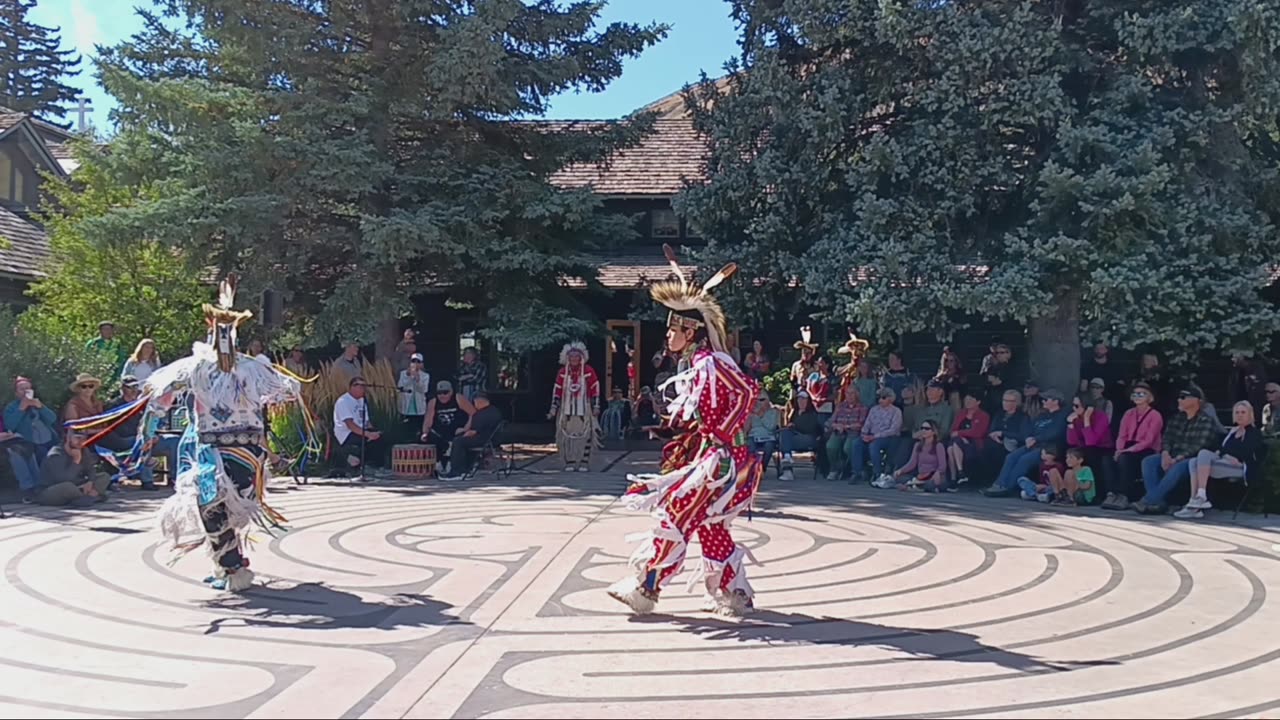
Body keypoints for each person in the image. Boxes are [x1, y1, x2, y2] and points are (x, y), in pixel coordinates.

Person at [72, 276, 309, 592]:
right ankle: (228, 565)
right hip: (242, 452)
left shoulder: (204, 368)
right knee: (225, 508)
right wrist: (149, 430)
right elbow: (289, 390)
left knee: (214, 507)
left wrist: (148, 432)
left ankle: (232, 567)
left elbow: (159, 400)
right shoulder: (245, 368)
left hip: (221, 452)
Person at [609, 246, 762, 617]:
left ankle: (648, 588)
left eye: (673, 329)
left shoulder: (710, 361)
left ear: (690, 330)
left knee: (675, 512)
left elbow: (748, 390)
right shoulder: (696, 362)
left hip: (723, 459)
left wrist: (723, 435)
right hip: (716, 454)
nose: (667, 335)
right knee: (709, 527)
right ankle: (734, 593)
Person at [1132, 386, 1222, 515]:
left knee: (1178, 467)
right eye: (1179, 397)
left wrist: (1177, 458)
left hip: (1192, 460)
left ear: (1196, 400)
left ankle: (1148, 500)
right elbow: (1167, 438)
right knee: (1149, 461)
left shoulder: (1206, 421)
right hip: (1172, 455)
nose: (1179, 400)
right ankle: (1158, 502)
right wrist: (1165, 454)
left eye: (1183, 397)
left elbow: (1199, 446)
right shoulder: (1176, 419)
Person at [1175, 401, 1262, 519]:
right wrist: (1225, 455)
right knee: (1195, 460)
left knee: (1201, 460)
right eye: (1237, 412)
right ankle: (1196, 500)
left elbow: (1245, 452)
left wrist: (1226, 455)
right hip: (1225, 463)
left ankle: (1197, 501)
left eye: (1243, 412)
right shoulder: (1233, 431)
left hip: (1240, 467)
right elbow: (1222, 449)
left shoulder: (1254, 433)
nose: (1240, 415)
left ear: (1250, 414)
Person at [981, 389, 1069, 497]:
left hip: (1049, 447)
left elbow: (1056, 433)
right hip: (1033, 444)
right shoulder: (1042, 415)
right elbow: (1030, 429)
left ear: (1056, 401)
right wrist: (1029, 438)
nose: (1043, 401)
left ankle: (1008, 488)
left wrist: (1036, 439)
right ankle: (999, 484)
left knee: (1024, 459)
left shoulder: (1062, 415)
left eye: (1046, 399)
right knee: (1011, 457)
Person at [1103, 381, 1165, 510]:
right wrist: (1119, 449)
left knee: (1125, 459)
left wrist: (1128, 450)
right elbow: (1122, 435)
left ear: (1149, 397)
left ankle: (1124, 495)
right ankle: (1111, 493)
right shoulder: (1128, 413)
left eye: (1142, 394)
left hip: (1146, 449)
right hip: (1127, 446)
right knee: (1107, 459)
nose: (1137, 396)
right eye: (1135, 394)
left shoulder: (1155, 415)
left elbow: (1149, 440)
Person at [548, 341, 602, 471]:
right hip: (566, 408)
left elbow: (595, 388)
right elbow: (557, 390)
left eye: (576, 357)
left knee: (587, 433)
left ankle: (584, 461)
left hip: (584, 407)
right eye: (571, 357)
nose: (573, 359)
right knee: (566, 435)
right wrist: (554, 408)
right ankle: (570, 461)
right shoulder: (562, 372)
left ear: (581, 358)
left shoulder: (588, 371)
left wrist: (596, 406)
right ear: (567, 358)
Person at [35, 431, 111, 507]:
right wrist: (76, 461)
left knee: (104, 476)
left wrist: (90, 482)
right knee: (68, 487)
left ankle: (85, 497)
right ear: (68, 438)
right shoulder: (55, 454)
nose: (81, 442)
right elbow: (62, 479)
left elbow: (90, 469)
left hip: (77, 485)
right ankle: (91, 497)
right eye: (77, 438)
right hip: (52, 489)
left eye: (84, 439)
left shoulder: (83, 450)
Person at [441, 392, 503, 479]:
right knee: (462, 439)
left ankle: (456, 471)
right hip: (493, 439)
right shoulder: (495, 411)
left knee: (458, 441)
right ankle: (466, 469)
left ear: (479, 401)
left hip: (484, 439)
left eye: (475, 402)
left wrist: (463, 434)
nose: (474, 405)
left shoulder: (481, 414)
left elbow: (473, 432)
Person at [874, 419, 946, 492]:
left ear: (933, 431)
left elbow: (942, 466)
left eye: (927, 429)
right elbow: (912, 463)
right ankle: (914, 486)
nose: (923, 430)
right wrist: (901, 470)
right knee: (899, 477)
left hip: (933, 476)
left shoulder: (938, 446)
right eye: (922, 428)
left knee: (931, 484)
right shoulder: (918, 445)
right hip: (920, 476)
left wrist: (937, 473)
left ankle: (913, 487)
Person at [1067, 393, 1114, 503]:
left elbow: (1092, 441)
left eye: (1077, 406)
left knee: (1094, 456)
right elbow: (1072, 441)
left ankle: (1097, 495)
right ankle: (1070, 491)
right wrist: (1070, 424)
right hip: (1085, 447)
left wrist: (1086, 419)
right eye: (1073, 405)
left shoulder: (1101, 416)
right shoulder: (1075, 418)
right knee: (1071, 454)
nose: (1074, 409)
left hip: (1103, 447)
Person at [420, 380, 474, 476]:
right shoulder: (433, 402)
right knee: (429, 438)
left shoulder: (458, 398)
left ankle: (453, 465)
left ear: (451, 392)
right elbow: (428, 419)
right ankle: (438, 464)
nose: (442, 396)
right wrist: (425, 433)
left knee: (456, 441)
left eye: (445, 392)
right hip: (440, 432)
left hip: (457, 431)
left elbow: (473, 414)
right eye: (439, 393)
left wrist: (466, 428)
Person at [334, 376, 385, 475]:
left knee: (380, 438)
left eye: (364, 386)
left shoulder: (362, 401)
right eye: (360, 386)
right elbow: (350, 424)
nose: (363, 389)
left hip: (360, 429)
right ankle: (362, 466)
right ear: (352, 387)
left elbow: (366, 421)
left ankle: (375, 466)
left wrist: (373, 431)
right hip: (347, 433)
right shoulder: (343, 401)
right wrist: (367, 434)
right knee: (366, 440)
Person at [851, 388, 903, 485]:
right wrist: (864, 434)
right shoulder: (873, 409)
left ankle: (877, 472)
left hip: (887, 437)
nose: (880, 400)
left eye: (883, 397)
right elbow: (867, 424)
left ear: (890, 399)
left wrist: (875, 436)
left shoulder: (896, 411)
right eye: (878, 398)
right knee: (856, 443)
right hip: (871, 435)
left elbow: (894, 430)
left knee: (874, 445)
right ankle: (857, 472)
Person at [3, 376, 58, 466]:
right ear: (16, 393)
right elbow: (9, 426)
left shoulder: (37, 402)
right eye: (22, 389)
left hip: (49, 439)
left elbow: (52, 419)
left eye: (27, 389)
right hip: (29, 443)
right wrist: (21, 409)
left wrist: (41, 407)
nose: (25, 392)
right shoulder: (11, 407)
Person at [947, 390, 990, 486]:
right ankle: (958, 474)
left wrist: (960, 434)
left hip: (974, 444)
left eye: (971, 399)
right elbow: (952, 430)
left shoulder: (983, 415)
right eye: (966, 399)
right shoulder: (961, 414)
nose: (967, 402)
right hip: (958, 443)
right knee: (952, 446)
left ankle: (958, 475)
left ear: (978, 402)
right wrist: (960, 436)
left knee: (954, 443)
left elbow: (978, 433)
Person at [778, 392, 824, 481]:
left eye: (804, 399)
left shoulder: (813, 414)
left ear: (808, 401)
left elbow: (811, 428)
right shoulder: (795, 412)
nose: (801, 401)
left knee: (785, 440)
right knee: (785, 434)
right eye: (799, 399)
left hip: (809, 438)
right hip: (795, 438)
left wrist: (795, 425)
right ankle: (787, 465)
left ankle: (787, 462)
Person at [823, 390, 867, 482]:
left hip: (853, 433)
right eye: (848, 393)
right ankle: (835, 468)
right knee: (831, 446)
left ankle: (852, 469)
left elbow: (862, 424)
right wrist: (836, 426)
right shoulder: (840, 406)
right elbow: (831, 421)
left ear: (857, 395)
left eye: (852, 393)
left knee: (848, 448)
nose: (849, 396)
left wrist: (847, 426)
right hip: (839, 432)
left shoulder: (862, 407)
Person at [0, 415, 40, 502]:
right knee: (14, 453)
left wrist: (9, 434)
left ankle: (39, 485)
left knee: (27, 449)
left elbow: (6, 428)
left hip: (6, 440)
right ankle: (27, 489)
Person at [397, 352, 432, 441]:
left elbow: (424, 390)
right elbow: (400, 386)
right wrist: (408, 377)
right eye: (413, 361)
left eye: (418, 361)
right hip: (406, 404)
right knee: (407, 427)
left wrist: (417, 379)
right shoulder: (403, 374)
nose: (415, 363)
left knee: (417, 425)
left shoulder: (425, 376)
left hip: (418, 404)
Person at [747, 393, 780, 462]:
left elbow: (771, 427)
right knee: (749, 446)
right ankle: (752, 466)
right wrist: (749, 417)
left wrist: (761, 416)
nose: (758, 402)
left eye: (761, 400)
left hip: (768, 436)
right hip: (753, 436)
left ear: (767, 401)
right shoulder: (752, 412)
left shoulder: (774, 412)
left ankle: (762, 467)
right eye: (756, 400)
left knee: (769, 446)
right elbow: (746, 429)